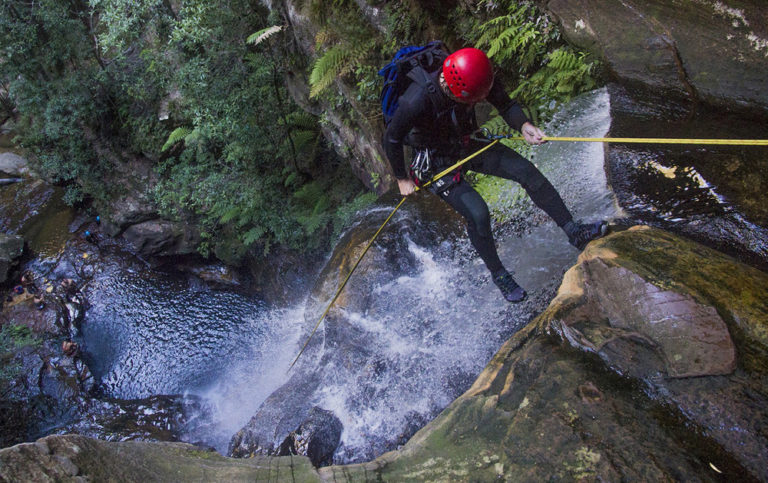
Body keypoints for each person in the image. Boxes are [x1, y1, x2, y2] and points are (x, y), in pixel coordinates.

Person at [383, 47, 607, 303]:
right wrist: (402, 179)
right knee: (478, 213)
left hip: (466, 141)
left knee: (526, 172)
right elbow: (391, 138)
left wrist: (524, 125)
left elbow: (505, 103)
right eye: (473, 101)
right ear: (459, 92)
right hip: (435, 161)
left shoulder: (476, 74)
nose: (478, 103)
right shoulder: (416, 100)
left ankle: (573, 231)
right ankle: (500, 274)